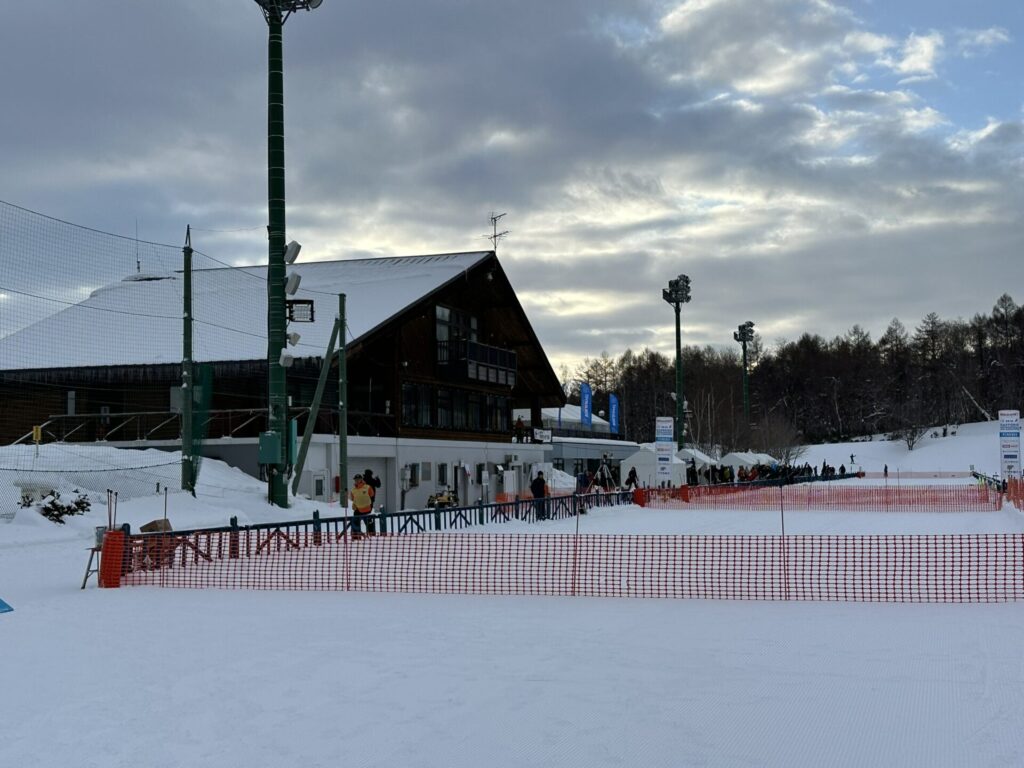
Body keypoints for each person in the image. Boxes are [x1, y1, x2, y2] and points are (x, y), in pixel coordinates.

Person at [349, 474, 375, 538]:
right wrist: (354, 504)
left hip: (367, 509)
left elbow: (372, 495)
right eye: (356, 480)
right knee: (355, 523)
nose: (357, 481)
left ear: (361, 479)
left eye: (358, 479)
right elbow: (353, 499)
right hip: (358, 509)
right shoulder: (353, 490)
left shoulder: (367, 487)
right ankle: (356, 537)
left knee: (369, 524)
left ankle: (372, 537)